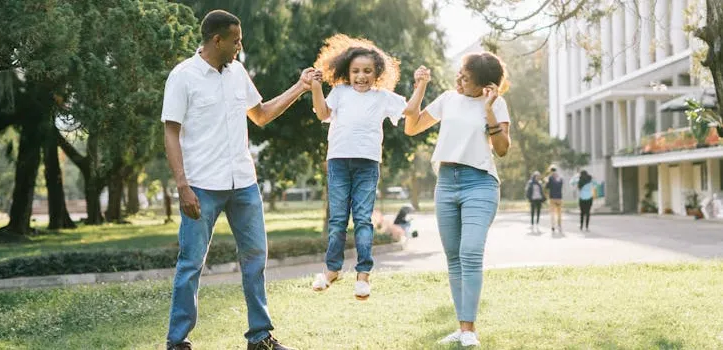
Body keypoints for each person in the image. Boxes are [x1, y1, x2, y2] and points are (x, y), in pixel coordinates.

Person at [161, 10, 311, 350]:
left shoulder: (237, 72)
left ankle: (260, 338)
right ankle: (177, 341)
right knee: (191, 263)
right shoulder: (183, 76)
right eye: (236, 40)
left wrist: (301, 87)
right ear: (217, 40)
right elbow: (171, 132)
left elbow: (261, 115)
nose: (240, 46)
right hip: (201, 186)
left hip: (243, 183)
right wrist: (182, 185)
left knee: (255, 258)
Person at [403, 51, 511, 347]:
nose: (459, 80)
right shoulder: (448, 99)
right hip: (447, 183)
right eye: (460, 74)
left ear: (485, 85)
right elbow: (411, 127)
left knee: (470, 252)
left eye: (466, 78)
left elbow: (502, 149)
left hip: (480, 183)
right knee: (454, 258)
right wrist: (420, 87)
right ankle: (463, 328)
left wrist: (488, 109)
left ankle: (469, 330)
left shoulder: (497, 104)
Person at [308, 34, 407, 300]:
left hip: (367, 164)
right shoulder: (340, 92)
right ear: (347, 72)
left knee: (363, 219)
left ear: (377, 73)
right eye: (355, 71)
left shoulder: (382, 97)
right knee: (338, 220)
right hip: (338, 162)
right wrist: (316, 87)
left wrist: (420, 85)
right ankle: (332, 270)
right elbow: (323, 113)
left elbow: (410, 110)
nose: (361, 76)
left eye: (367, 71)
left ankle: (363, 276)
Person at [545, 166, 564, 233]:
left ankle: (553, 226)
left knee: (552, 212)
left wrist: (546, 181)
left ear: (551, 171)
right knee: (559, 213)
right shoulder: (560, 178)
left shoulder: (550, 178)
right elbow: (561, 186)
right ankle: (559, 225)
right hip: (559, 197)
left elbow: (547, 187)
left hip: (552, 198)